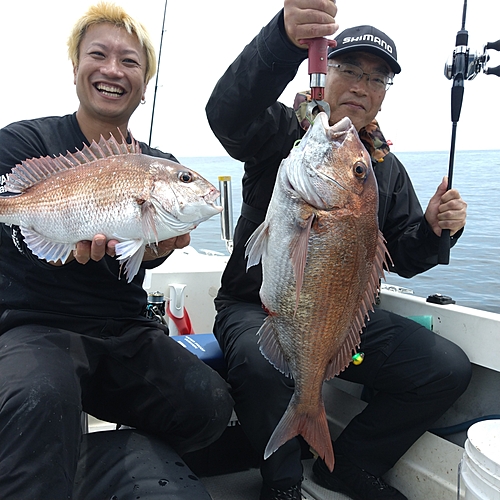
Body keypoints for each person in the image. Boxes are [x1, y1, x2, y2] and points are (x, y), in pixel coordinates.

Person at [206, 1, 472, 499]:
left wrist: (436, 230)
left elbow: (406, 256)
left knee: (445, 369)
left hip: (337, 313)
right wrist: (280, 41)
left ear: (384, 95)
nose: (360, 86)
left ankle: (349, 463)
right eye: (349, 69)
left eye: (376, 79)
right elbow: (227, 113)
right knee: (265, 366)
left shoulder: (379, 168)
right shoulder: (285, 135)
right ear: (325, 70)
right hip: (252, 305)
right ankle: (282, 483)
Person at [0, 3, 233, 498]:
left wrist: (150, 253)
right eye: (98, 54)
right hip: (33, 325)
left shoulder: (160, 164)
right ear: (76, 66)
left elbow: (146, 249)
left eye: (129, 61)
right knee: (37, 397)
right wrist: (39, 230)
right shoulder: (21, 142)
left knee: (209, 405)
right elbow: (15, 224)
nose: (112, 70)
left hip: (123, 330)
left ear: (145, 80)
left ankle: (99, 467)